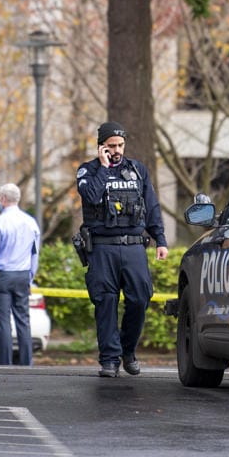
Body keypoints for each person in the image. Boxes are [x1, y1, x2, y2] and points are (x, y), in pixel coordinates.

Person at [76, 121, 168, 378]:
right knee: (105, 302)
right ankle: (109, 359)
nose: (117, 150)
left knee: (140, 299)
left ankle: (127, 351)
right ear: (101, 147)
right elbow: (91, 197)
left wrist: (160, 240)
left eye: (120, 145)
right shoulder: (87, 171)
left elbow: (151, 206)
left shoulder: (137, 170)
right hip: (102, 248)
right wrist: (104, 169)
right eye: (111, 146)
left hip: (133, 247)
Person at [0, 183, 41, 366]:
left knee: (3, 323)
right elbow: (34, 253)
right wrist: (30, 276)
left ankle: (5, 364)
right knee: (23, 321)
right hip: (22, 275)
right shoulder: (31, 222)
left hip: (2, 275)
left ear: (3, 199)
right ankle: (26, 363)